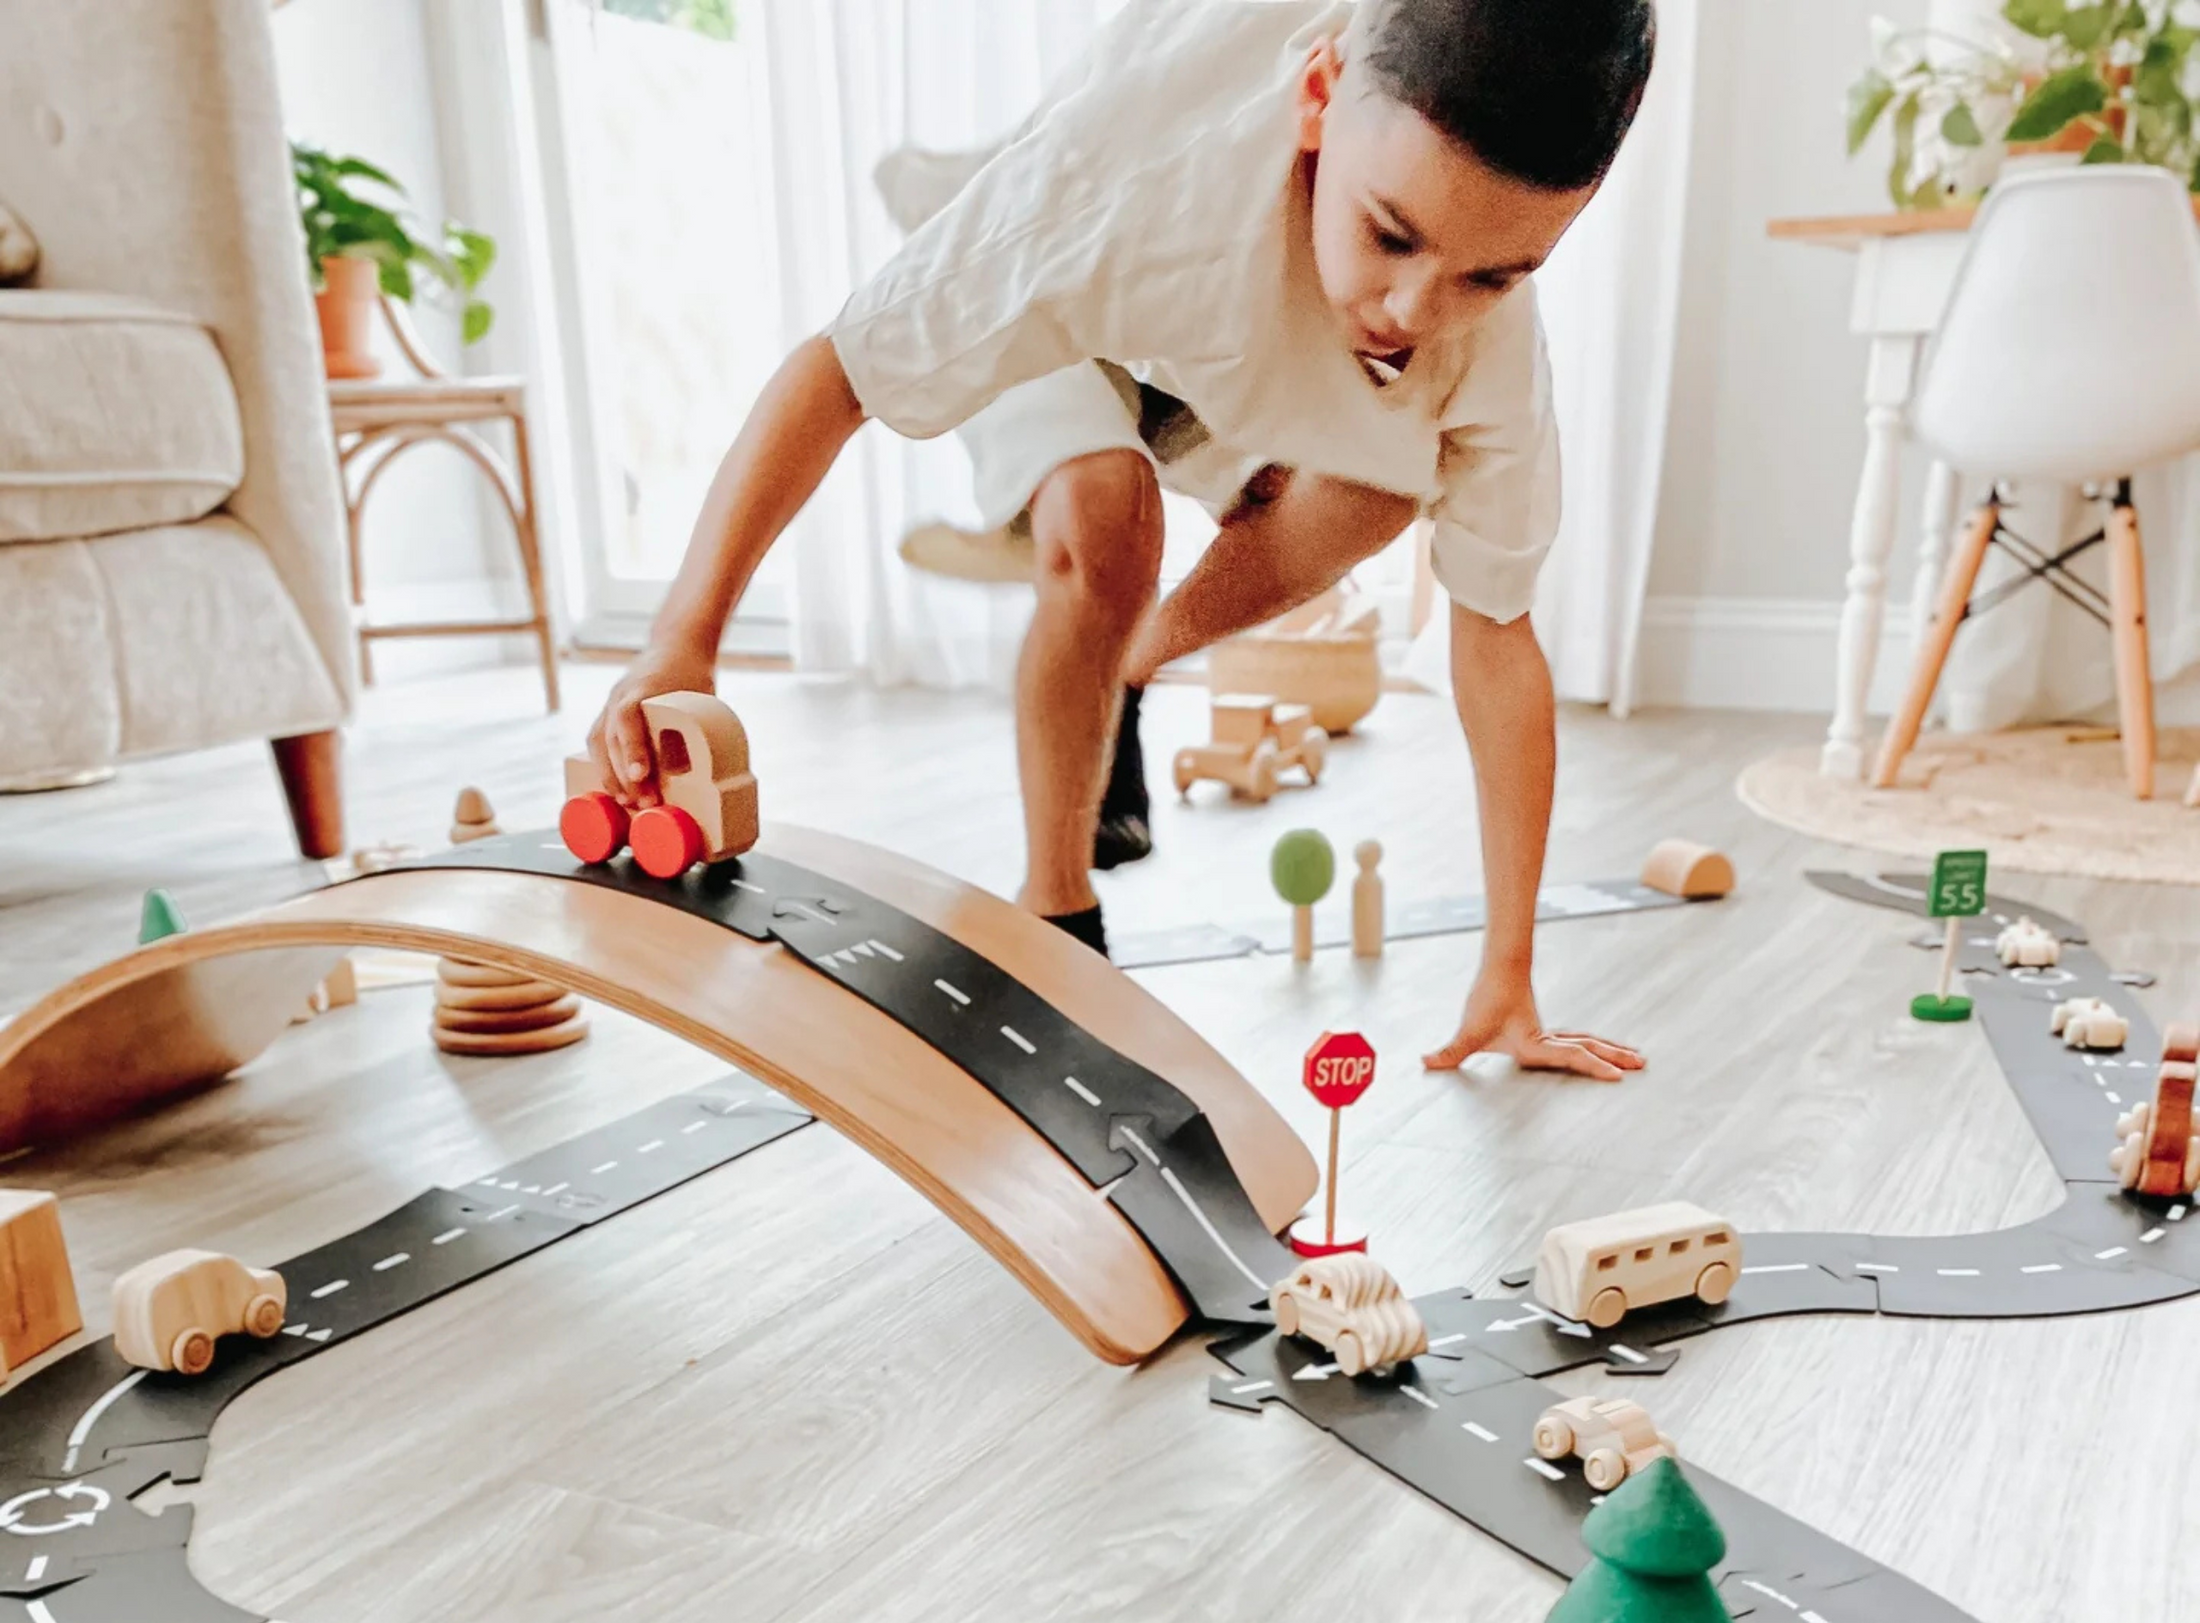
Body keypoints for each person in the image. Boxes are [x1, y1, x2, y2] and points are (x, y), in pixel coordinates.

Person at [587, 0, 1653, 1080]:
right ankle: (1059, 904)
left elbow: (1496, 637)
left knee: (1387, 484)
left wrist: (1507, 972)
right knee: (1107, 518)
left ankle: (1128, 666)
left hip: (1238, 348)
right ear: (1318, 99)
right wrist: (684, 636)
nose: (1414, 309)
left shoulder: (1486, 358)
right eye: (1390, 234)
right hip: (1106, 298)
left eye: (1493, 275)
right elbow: (838, 375)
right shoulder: (1110, 193)